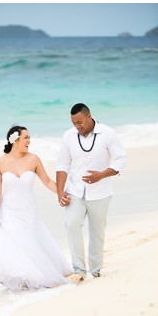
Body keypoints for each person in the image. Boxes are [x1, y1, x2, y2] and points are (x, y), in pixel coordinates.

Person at [0, 125, 72, 290]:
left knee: (31, 242)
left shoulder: (33, 159)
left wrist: (61, 193)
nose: (29, 140)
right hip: (9, 210)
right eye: (26, 137)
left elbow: (48, 181)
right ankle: (20, 277)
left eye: (29, 137)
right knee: (16, 242)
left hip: (29, 209)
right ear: (15, 140)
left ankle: (36, 276)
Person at [56, 103, 128, 282]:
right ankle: (79, 270)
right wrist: (60, 192)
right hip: (75, 191)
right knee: (71, 224)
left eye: (80, 122)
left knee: (97, 232)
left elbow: (121, 158)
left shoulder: (108, 134)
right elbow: (62, 164)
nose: (77, 126)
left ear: (89, 117)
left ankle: (95, 271)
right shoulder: (68, 136)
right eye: (74, 123)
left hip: (101, 192)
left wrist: (102, 175)